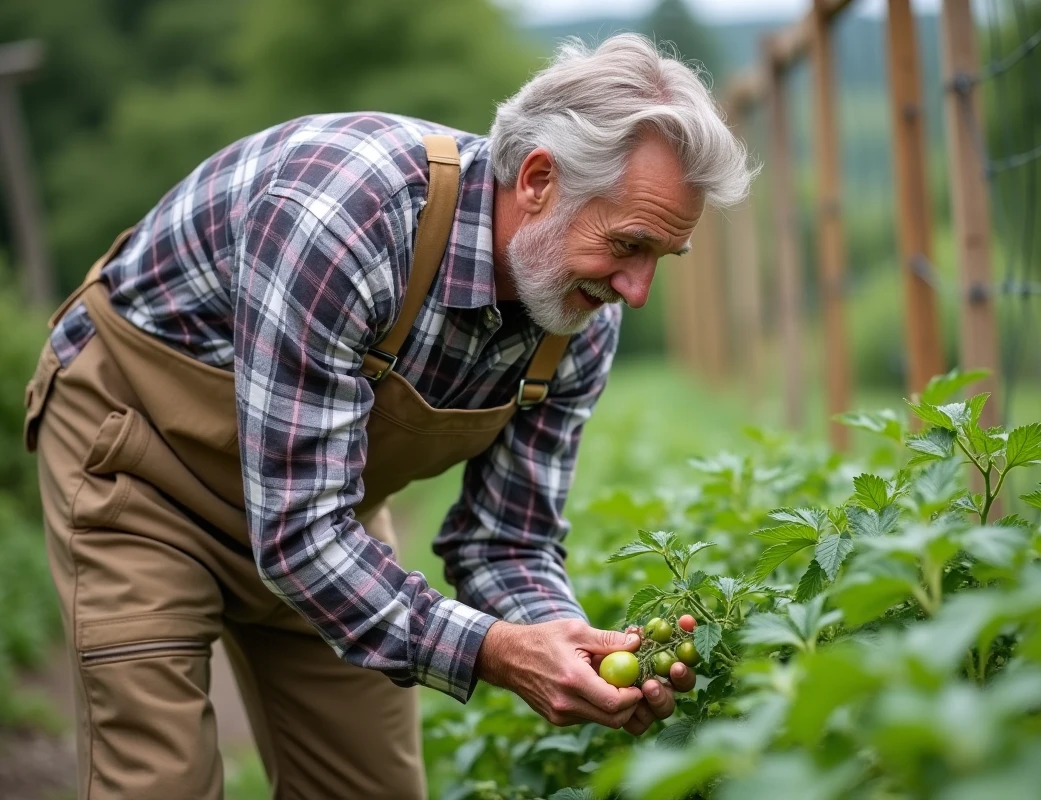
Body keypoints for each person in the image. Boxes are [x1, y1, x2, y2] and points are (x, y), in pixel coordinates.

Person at [22, 32, 754, 799]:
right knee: (158, 781)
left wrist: (562, 644)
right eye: (629, 244)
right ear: (539, 179)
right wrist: (492, 650)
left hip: (322, 509)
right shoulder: (346, 218)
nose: (637, 291)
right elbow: (299, 533)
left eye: (660, 257)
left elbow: (506, 538)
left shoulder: (577, 317)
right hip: (144, 470)